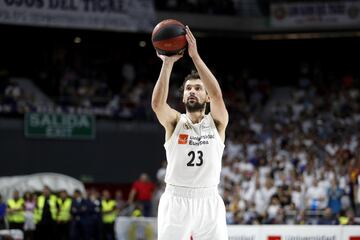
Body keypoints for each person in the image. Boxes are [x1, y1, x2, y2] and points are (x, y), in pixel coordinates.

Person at [151, 25, 229, 239]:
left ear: (207, 97)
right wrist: (167, 63)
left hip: (209, 200)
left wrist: (194, 56)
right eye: (188, 89)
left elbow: (218, 95)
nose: (192, 91)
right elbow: (157, 105)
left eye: (197, 88)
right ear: (183, 97)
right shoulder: (175, 122)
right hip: (176, 199)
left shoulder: (217, 122)